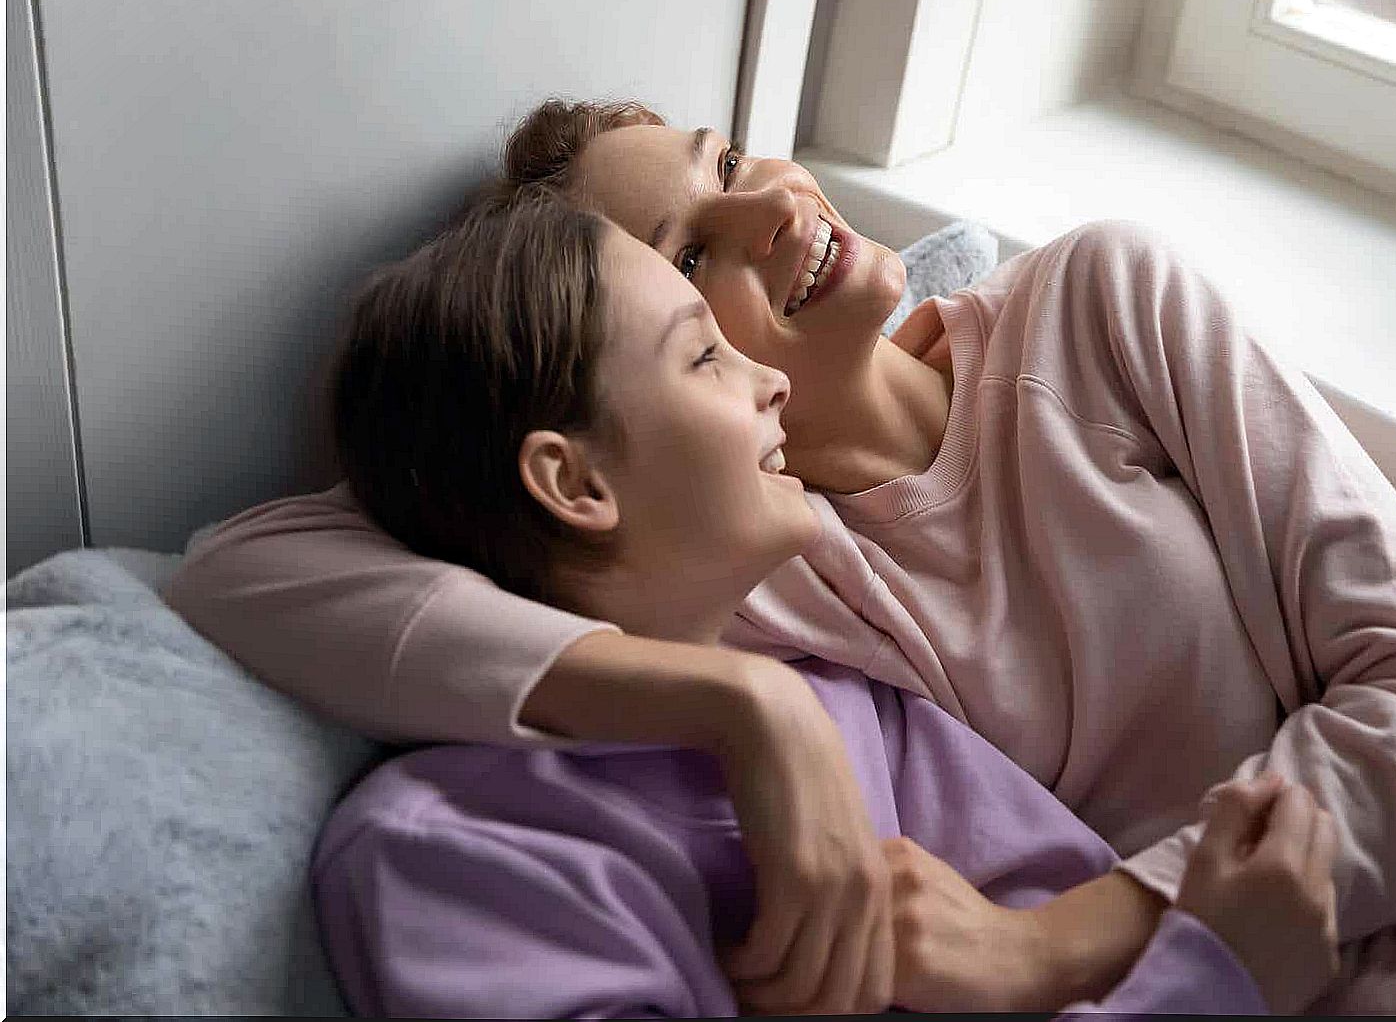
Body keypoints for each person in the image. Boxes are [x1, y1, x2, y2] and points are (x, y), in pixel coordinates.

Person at [166, 99, 1396, 1015]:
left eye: (723, 162)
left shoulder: (1100, 307)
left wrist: (1053, 945)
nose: (770, 213)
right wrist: (736, 701)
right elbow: (240, 567)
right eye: (690, 253)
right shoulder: (745, 572)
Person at [308, 191, 1339, 1017]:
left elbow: (1075, 939)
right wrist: (1216, 981)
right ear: (575, 485)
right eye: (704, 353)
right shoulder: (451, 856)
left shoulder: (863, 711)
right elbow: (248, 564)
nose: (770, 385)